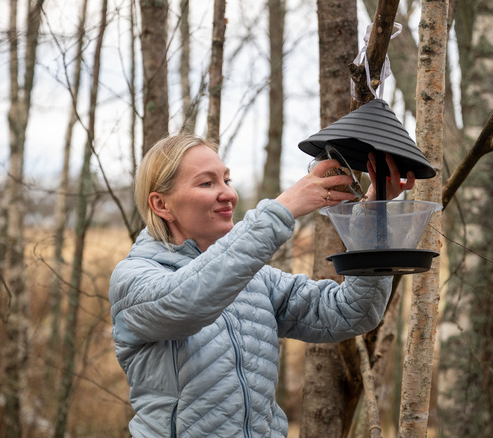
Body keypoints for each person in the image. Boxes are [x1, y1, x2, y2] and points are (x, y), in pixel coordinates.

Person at [109, 134, 415, 437]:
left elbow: (353, 311)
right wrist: (282, 209)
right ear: (161, 204)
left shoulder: (256, 280)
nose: (228, 193)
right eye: (206, 183)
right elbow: (189, 302)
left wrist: (373, 217)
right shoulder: (133, 280)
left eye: (226, 180)